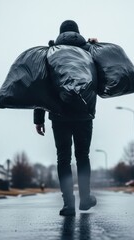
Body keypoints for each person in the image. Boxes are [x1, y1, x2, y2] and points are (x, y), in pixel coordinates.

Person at [34, 20, 98, 216]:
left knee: (63, 158)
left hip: (59, 114)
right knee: (83, 156)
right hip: (84, 113)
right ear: (78, 33)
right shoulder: (89, 50)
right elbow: (104, 69)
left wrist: (39, 118)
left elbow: (42, 85)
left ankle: (68, 204)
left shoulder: (50, 52)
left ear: (60, 33)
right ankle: (85, 198)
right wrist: (95, 45)